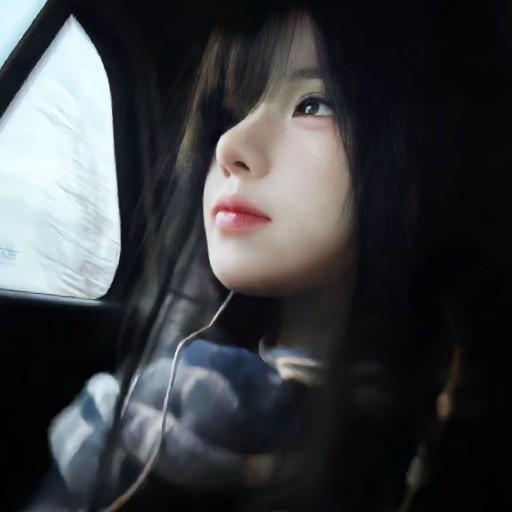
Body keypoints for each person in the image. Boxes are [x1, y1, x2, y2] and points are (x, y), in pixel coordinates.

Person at [25, 1, 489, 511]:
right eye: (229, 111)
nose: (230, 144)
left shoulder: (455, 442)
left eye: (314, 104)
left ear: (422, 153)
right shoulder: (153, 411)